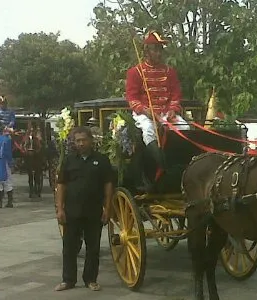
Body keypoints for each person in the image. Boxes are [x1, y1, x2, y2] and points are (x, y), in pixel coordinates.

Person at [125, 30, 190, 187]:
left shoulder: (170, 72)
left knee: (185, 127)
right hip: (145, 113)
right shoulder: (135, 72)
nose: (159, 53)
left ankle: (181, 163)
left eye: (160, 49)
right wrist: (147, 111)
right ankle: (162, 165)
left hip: (166, 112)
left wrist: (172, 110)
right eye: (155, 49)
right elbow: (132, 98)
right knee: (148, 129)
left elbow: (176, 95)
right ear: (147, 51)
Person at [54, 126, 114, 292]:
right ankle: (68, 280)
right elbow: (61, 185)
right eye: (77, 141)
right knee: (69, 247)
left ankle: (90, 279)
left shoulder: (102, 160)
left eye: (83, 140)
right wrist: (60, 208)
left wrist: (107, 207)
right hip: (72, 211)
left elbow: (108, 184)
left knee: (93, 247)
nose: (80, 143)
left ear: (91, 141)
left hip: (93, 210)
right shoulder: (69, 160)